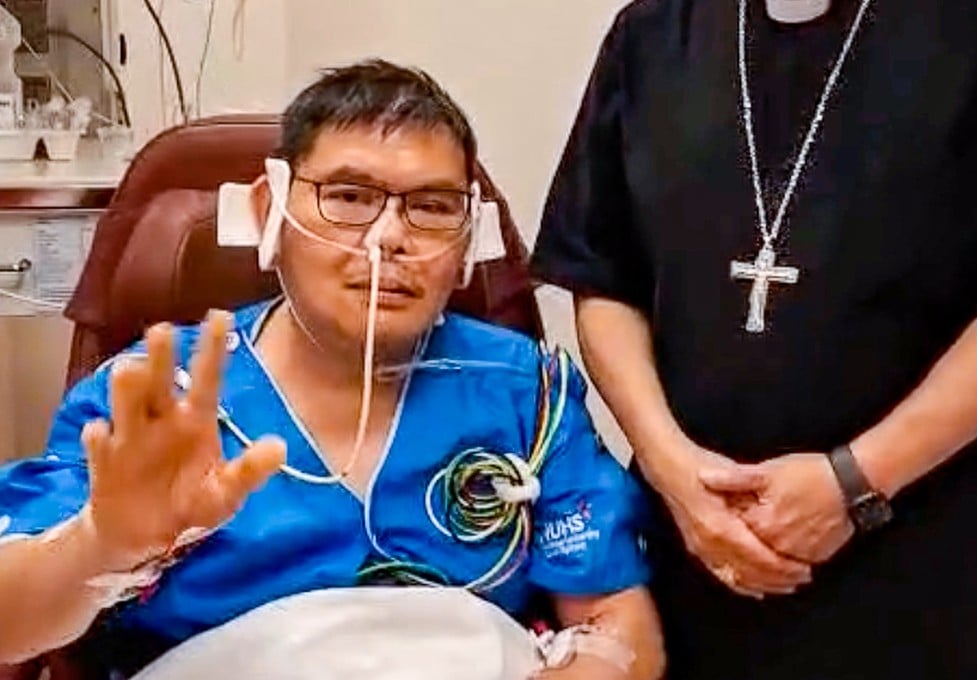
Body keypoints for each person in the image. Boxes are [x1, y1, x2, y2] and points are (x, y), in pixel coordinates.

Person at [0, 60, 664, 680]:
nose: (388, 239)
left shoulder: (527, 396)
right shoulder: (154, 398)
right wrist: (100, 546)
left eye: (432, 207)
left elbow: (617, 622)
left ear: (467, 242)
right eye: (348, 196)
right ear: (271, 211)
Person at [530, 0, 977, 678]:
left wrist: (856, 481)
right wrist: (675, 472)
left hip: (908, 577)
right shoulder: (651, 35)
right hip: (688, 560)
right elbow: (602, 279)